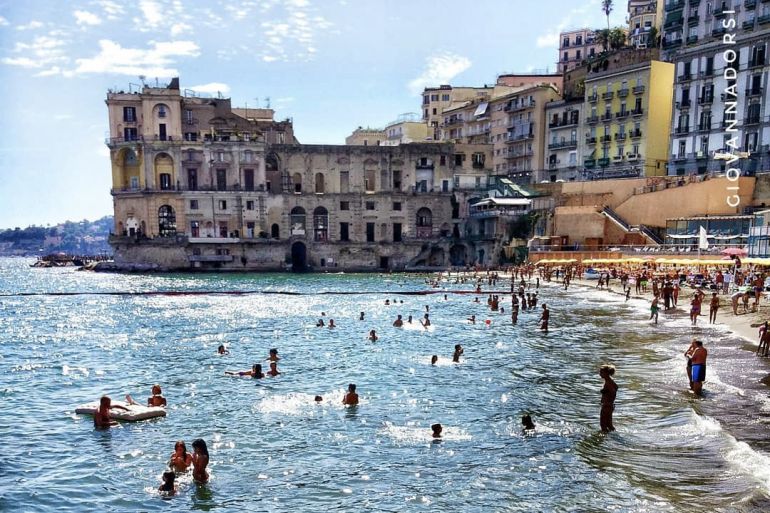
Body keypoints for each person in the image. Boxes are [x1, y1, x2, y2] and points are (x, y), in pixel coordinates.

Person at [599, 365, 617, 433]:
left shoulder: (608, 382)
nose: (600, 374)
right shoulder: (611, 381)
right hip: (610, 405)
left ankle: (604, 439)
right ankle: (613, 436)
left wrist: (605, 392)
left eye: (601, 372)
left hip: (607, 405)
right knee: (609, 425)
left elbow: (613, 391)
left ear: (607, 373)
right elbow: (616, 387)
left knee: (603, 424)